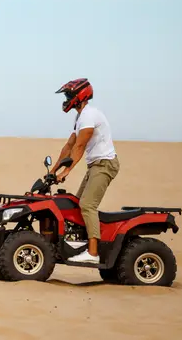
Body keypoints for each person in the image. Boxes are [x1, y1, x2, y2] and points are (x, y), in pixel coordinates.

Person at [51, 78, 119, 264]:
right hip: (95, 165)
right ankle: (78, 244)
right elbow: (70, 145)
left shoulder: (89, 115)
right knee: (76, 204)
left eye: (68, 95)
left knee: (87, 205)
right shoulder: (80, 117)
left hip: (105, 164)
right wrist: (54, 169)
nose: (66, 99)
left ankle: (93, 253)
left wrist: (66, 172)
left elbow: (80, 146)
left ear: (79, 96)